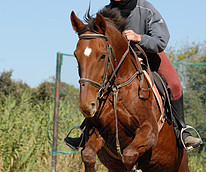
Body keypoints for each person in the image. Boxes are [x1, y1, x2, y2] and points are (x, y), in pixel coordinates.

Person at [65, 0, 202, 151]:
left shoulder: (145, 8)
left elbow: (161, 40)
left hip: (149, 54)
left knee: (174, 84)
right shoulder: (105, 11)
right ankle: (86, 132)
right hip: (120, 63)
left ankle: (181, 130)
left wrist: (140, 38)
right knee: (97, 86)